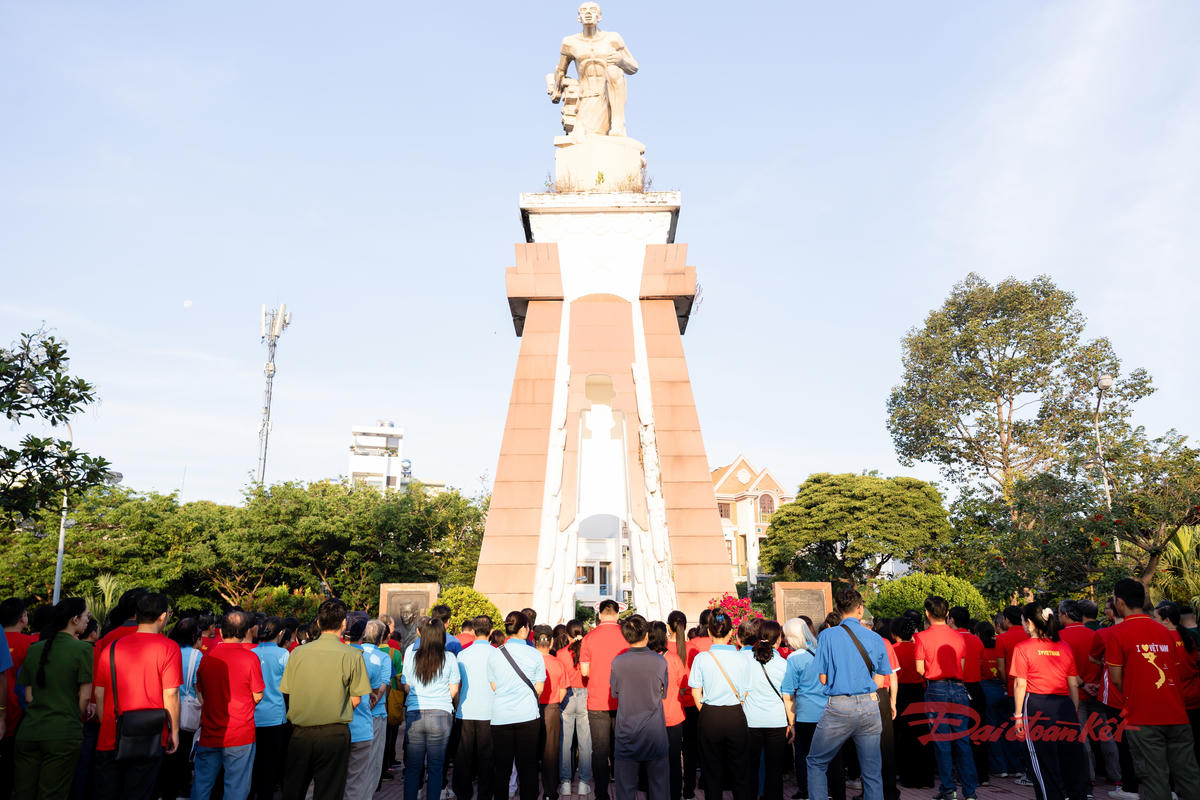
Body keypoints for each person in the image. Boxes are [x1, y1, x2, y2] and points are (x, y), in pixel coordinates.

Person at [1106, 578, 1200, 800]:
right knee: (1189, 775)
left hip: (1142, 717)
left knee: (1155, 777)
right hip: (1177, 714)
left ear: (1119, 602)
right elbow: (1174, 671)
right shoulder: (1167, 633)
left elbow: (1117, 679)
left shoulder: (1117, 634)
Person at [279, 598, 371, 800]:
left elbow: (287, 691)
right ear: (344, 623)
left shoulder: (297, 653)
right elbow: (356, 700)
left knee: (294, 791)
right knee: (329, 792)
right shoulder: (353, 656)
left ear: (318, 623)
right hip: (335, 734)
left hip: (301, 733)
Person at [806, 587, 893, 800]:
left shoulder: (827, 636)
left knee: (816, 762)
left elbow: (823, 678)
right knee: (872, 772)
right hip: (870, 704)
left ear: (837, 608)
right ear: (860, 609)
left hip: (840, 706)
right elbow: (881, 678)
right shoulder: (875, 638)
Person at [93, 592, 182, 800]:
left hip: (111, 734)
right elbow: (171, 693)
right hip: (149, 735)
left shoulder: (113, 647)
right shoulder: (168, 647)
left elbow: (99, 692)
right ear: (162, 616)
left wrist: (107, 721)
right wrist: (174, 730)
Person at [12, 598, 92, 800]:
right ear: (74, 619)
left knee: (23, 792)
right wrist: (81, 711)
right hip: (63, 732)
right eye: (86, 617)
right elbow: (84, 698)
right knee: (52, 793)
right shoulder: (83, 650)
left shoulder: (34, 649)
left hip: (29, 730)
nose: (87, 621)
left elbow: (29, 696)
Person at [1007, 601, 1087, 800]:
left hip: (1036, 706)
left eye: (1024, 622)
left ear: (1030, 623)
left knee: (1042, 764)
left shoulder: (1023, 648)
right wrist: (1074, 711)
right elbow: (1073, 684)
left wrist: (1018, 717)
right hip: (1064, 706)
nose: (1024, 625)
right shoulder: (1064, 646)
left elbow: (1020, 685)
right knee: (1070, 760)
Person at [192, 610, 265, 800]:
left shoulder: (208, 658)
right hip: (240, 732)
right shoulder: (251, 658)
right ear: (244, 633)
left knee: (202, 783)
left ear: (221, 632)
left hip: (210, 730)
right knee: (237, 787)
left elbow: (200, 691)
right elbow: (258, 695)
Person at [914, 595, 978, 800]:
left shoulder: (922, 637)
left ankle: (948, 790)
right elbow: (962, 667)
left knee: (942, 742)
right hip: (958, 689)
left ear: (927, 613)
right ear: (947, 614)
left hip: (936, 689)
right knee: (963, 741)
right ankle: (970, 792)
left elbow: (919, 669)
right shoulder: (959, 637)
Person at [689, 610, 749, 800]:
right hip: (735, 715)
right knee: (739, 770)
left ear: (709, 633)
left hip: (710, 716)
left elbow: (695, 693)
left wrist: (706, 710)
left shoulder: (701, 658)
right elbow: (746, 691)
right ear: (732, 633)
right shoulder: (742, 658)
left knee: (711, 770)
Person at [1058, 599, 1119, 786]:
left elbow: (1063, 669)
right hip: (1098, 691)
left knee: (1082, 736)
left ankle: (1088, 776)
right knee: (1106, 735)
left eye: (1060, 614)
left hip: (1075, 693)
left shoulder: (1059, 637)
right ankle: (1117, 775)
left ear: (1066, 614)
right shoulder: (1095, 634)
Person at [783, 617, 843, 800]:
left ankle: (807, 791)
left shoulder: (794, 658)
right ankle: (837, 793)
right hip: (830, 711)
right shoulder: (825, 651)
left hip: (805, 714)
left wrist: (790, 722)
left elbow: (788, 693)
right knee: (834, 758)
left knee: (805, 756)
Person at [488, 611, 546, 800]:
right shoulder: (535, 654)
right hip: (528, 716)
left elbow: (494, 686)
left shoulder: (495, 654)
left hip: (501, 717)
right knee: (528, 768)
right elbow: (539, 688)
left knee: (501, 769)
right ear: (523, 630)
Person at [609, 615, 668, 800]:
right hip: (655, 733)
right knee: (659, 789)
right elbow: (663, 693)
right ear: (646, 635)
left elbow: (614, 693)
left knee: (625, 790)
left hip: (627, 732)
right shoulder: (660, 661)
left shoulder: (618, 662)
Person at [401, 616, 458, 800]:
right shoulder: (449, 658)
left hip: (415, 713)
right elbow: (454, 689)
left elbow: (406, 685)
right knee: (436, 767)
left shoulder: (412, 656)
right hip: (441, 714)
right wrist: (440, 701)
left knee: (413, 767)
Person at [580, 600, 627, 800]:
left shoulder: (589, 638)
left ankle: (601, 793)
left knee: (599, 750)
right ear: (618, 615)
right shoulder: (627, 636)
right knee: (622, 746)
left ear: (599, 615)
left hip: (597, 700)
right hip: (624, 700)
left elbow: (584, 671)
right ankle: (623, 788)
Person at [740, 619, 792, 800]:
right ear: (778, 640)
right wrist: (791, 724)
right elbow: (787, 697)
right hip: (776, 721)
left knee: (750, 768)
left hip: (750, 720)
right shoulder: (784, 664)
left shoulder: (745, 658)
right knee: (774, 770)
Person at [344, 614, 391, 800]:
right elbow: (381, 688)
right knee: (368, 767)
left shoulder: (348, 652)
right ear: (380, 637)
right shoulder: (382, 658)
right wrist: (371, 701)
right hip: (371, 716)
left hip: (345, 717)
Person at [160, 617, 203, 800]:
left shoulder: (169, 649)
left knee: (167, 753)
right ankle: (181, 788)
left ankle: (165, 789)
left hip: (164, 708)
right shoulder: (197, 656)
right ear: (194, 636)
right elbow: (198, 687)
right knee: (184, 752)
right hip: (186, 711)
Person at [455, 615, 496, 800]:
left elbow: (458, 684)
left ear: (473, 630)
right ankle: (485, 795)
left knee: (464, 756)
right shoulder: (497, 653)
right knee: (487, 757)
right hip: (490, 711)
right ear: (491, 631)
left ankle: (463, 794)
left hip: (466, 710)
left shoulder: (463, 654)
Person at [891, 615, 934, 788]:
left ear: (894, 633)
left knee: (903, 736)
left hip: (900, 693)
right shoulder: (919, 647)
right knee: (922, 735)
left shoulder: (893, 650)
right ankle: (926, 777)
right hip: (919, 692)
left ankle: (908, 776)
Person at [1155, 602, 1200, 762]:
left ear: (1166, 620)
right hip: (1194, 696)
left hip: (1175, 700)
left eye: (1156, 617)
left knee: (1176, 748)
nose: (1154, 621)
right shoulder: (1188, 637)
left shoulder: (1162, 640)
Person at [250, 617, 290, 800]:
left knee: (252, 766)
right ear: (281, 633)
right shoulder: (283, 655)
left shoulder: (252, 652)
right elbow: (289, 687)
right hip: (275, 716)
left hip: (252, 716)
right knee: (270, 767)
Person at [648, 620, 688, 800]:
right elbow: (682, 686)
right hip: (673, 715)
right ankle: (674, 795)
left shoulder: (644, 660)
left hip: (649, 718)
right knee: (673, 761)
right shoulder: (674, 659)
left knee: (652, 761)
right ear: (665, 636)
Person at [994, 604, 1030, 785]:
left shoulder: (1002, 639)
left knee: (1012, 729)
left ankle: (1016, 767)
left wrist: (1004, 681)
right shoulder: (1030, 635)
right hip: (1033, 688)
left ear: (1006, 620)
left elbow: (1000, 667)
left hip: (1012, 687)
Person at [556, 618, 591, 797]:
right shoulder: (587, 650)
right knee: (585, 742)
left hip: (567, 696)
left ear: (567, 634)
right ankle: (584, 782)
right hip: (585, 695)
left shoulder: (561, 653)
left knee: (565, 742)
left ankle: (566, 783)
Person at [666, 611, 698, 800]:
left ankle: (673, 788)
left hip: (671, 705)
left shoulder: (664, 649)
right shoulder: (693, 648)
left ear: (669, 627)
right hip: (691, 703)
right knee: (690, 749)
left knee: (672, 750)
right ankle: (689, 789)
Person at [535, 625, 567, 800]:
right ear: (551, 641)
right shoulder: (557, 663)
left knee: (530, 751)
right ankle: (549, 791)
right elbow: (562, 693)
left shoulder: (529, 662)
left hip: (530, 709)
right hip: (552, 709)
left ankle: (530, 788)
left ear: (534, 642)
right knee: (550, 752)